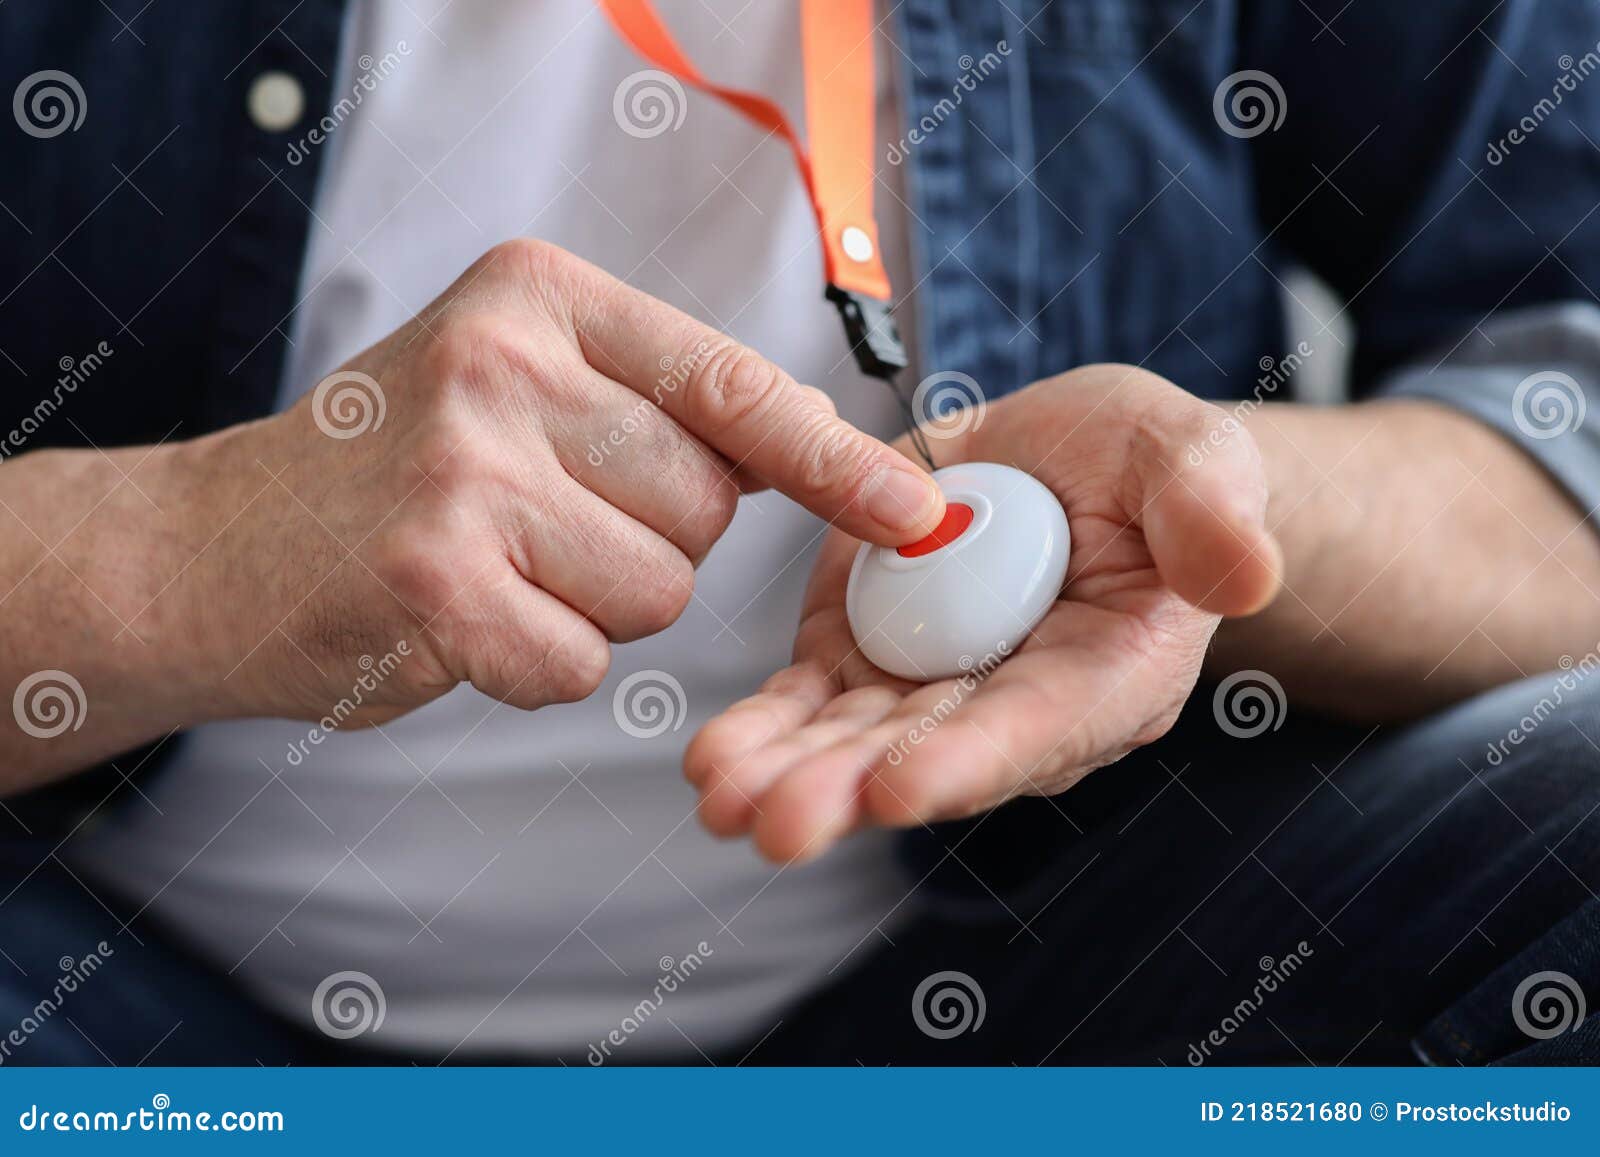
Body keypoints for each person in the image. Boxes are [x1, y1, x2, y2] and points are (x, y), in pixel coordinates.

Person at [1, 0, 1597, 1066]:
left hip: (1033, 979)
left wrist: (1218, 502)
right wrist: (173, 550)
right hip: (111, 1009)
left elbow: (1571, 374)